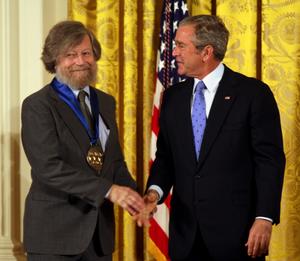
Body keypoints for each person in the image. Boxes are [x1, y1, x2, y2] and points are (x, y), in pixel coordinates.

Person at [137, 15, 285, 261]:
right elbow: (166, 159)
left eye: (181, 46)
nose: (174, 53)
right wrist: (153, 193)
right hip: (186, 239)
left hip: (237, 238)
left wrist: (264, 217)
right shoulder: (173, 98)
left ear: (206, 52)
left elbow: (269, 161)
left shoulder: (253, 94)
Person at [21, 21, 145, 261]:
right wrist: (109, 190)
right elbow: (49, 168)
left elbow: (114, 162)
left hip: (99, 238)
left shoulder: (106, 102)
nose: (80, 61)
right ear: (54, 60)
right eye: (70, 55)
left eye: (86, 53)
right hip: (54, 237)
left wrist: (135, 197)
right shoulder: (38, 106)